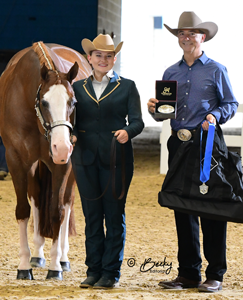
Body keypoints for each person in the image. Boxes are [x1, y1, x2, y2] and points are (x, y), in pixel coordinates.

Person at [147, 12, 238, 293]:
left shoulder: (216, 69)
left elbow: (230, 103)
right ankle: (188, 273)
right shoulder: (170, 73)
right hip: (179, 144)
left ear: (203, 36)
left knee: (212, 207)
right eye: (181, 33)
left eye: (192, 33)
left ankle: (215, 274)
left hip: (207, 143)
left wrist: (215, 114)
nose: (186, 37)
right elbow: (165, 114)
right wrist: (154, 111)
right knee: (182, 207)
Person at [71, 34, 144, 289]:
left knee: (113, 216)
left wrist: (128, 131)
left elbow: (138, 121)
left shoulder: (127, 86)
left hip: (117, 159)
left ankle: (111, 272)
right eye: (98, 55)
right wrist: (69, 134)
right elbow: (71, 121)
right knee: (92, 217)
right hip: (85, 159)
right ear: (89, 58)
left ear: (115, 58)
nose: (103, 59)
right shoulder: (77, 88)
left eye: (109, 55)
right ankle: (93, 270)